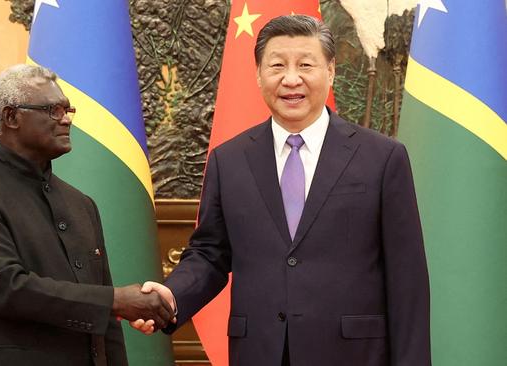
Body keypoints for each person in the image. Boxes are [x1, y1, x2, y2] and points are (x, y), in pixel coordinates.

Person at [133, 15, 431, 366]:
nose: (292, 79)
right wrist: (172, 295)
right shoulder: (229, 160)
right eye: (277, 65)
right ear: (259, 75)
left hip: (354, 354)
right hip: (261, 351)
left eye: (306, 64)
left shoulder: (382, 158)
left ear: (331, 71)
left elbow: (407, 281)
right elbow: (210, 253)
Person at [0, 64, 174, 366]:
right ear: (11, 117)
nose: (66, 120)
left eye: (68, 110)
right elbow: (6, 288)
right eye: (52, 110)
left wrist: (112, 305)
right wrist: (115, 300)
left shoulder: (81, 204)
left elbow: (108, 325)